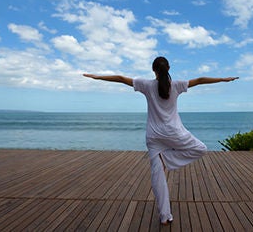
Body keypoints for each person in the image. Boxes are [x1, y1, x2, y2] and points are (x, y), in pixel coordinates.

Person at [83, 56, 239, 225]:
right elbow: (200, 80)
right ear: (169, 68)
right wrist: (223, 79)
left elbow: (120, 78)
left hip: (153, 136)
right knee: (201, 149)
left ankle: (165, 215)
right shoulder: (177, 85)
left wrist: (97, 77)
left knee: (157, 175)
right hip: (174, 132)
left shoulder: (147, 85)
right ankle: (167, 162)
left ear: (153, 70)